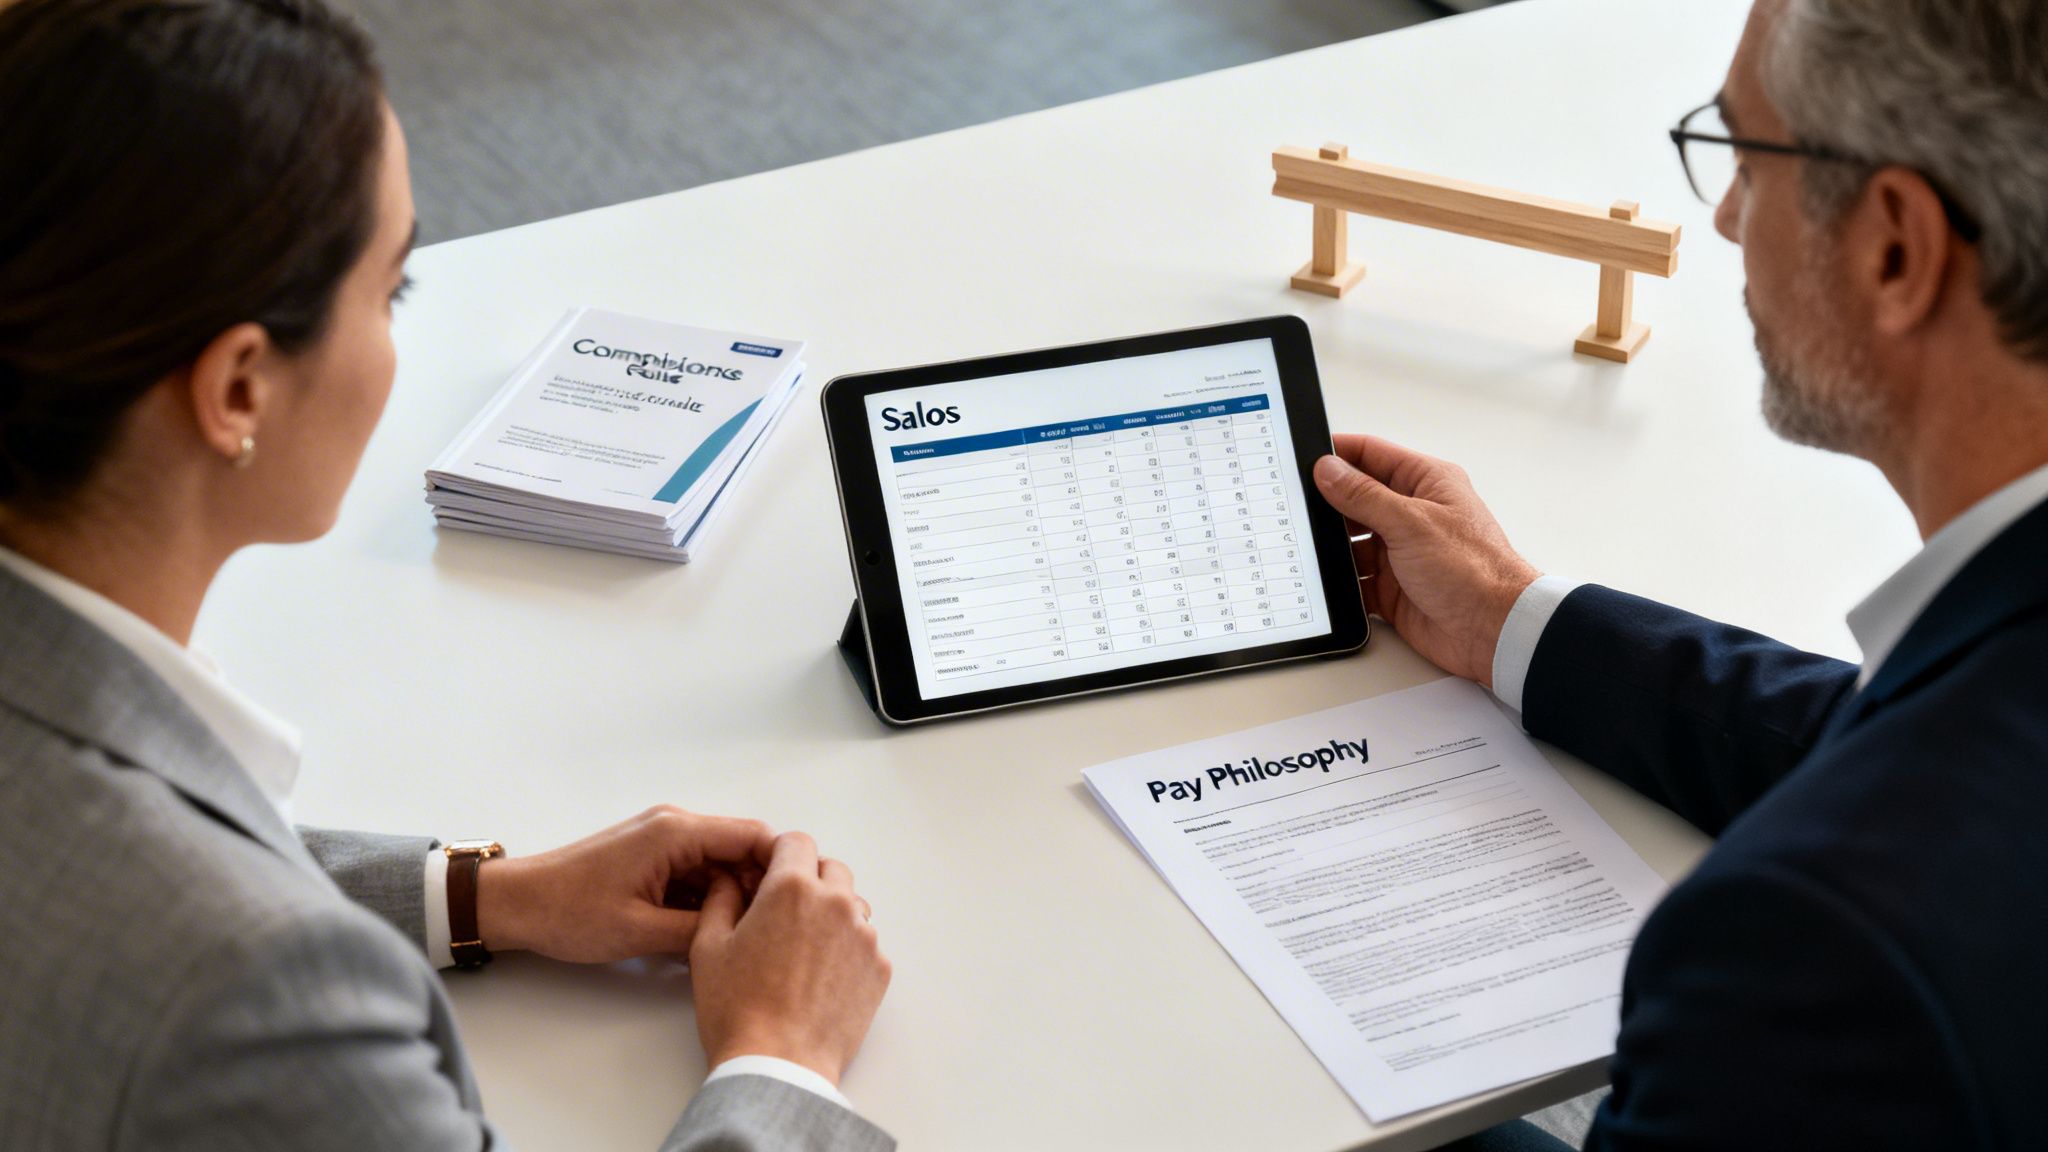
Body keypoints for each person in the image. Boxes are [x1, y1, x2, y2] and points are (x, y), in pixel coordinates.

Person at [0, 1, 891, 1148]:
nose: (394, 342)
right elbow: (176, 923)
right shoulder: (258, 995)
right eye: (391, 291)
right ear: (236, 393)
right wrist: (783, 1052)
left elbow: (85, 865)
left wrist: (486, 896)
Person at [1309, 1, 2048, 1148]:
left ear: (1892, 248)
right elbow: (1918, 748)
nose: (1722, 218)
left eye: (1745, 155)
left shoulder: (1810, 950)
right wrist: (1516, 619)